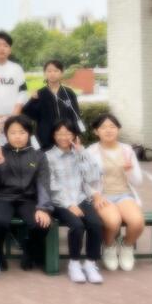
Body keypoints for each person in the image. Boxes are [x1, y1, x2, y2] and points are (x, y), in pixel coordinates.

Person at [0, 115, 53, 271]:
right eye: (13, 132)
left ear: (29, 134)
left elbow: (44, 182)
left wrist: (43, 208)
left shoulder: (38, 155)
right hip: (3, 197)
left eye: (22, 132)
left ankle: (29, 250)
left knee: (41, 223)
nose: (18, 136)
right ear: (6, 134)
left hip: (28, 199)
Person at [45, 119, 104, 284]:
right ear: (54, 135)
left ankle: (91, 263)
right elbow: (52, 186)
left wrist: (82, 153)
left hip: (81, 198)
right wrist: (69, 205)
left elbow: (93, 177)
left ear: (74, 135)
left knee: (96, 224)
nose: (63, 137)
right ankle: (74, 263)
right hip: (60, 203)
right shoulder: (48, 157)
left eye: (68, 133)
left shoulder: (79, 154)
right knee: (77, 226)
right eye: (59, 133)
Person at [86, 113, 145, 272]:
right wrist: (95, 195)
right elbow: (84, 180)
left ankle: (127, 246)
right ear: (96, 131)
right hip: (102, 195)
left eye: (112, 126)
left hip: (124, 194)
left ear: (118, 129)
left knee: (137, 222)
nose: (108, 130)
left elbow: (138, 181)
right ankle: (109, 246)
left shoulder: (127, 150)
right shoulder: (91, 152)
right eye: (103, 127)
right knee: (113, 221)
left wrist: (130, 170)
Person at [23, 59, 82, 150]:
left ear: (61, 73)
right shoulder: (40, 93)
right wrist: (33, 100)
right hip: (45, 138)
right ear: (45, 73)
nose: (52, 74)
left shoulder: (69, 93)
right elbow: (28, 114)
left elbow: (75, 115)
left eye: (56, 71)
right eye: (49, 71)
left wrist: (77, 135)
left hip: (65, 138)